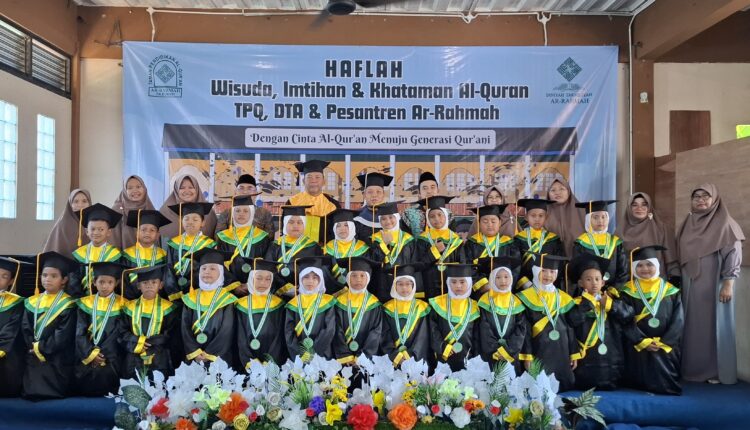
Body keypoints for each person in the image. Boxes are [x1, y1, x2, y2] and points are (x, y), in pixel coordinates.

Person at [677, 184, 744, 385]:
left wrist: (728, 284)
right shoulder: (688, 222)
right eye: (696, 196)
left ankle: (715, 372)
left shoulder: (725, 223)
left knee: (714, 326)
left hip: (714, 285)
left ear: (715, 199)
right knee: (691, 327)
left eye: (706, 196)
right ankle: (691, 370)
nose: (701, 200)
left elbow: (733, 253)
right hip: (690, 284)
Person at [621, 246, 683, 395]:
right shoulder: (628, 291)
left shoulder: (670, 290)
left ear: (657, 266)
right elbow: (625, 320)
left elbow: (678, 319)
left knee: (665, 381)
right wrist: (642, 341)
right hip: (638, 345)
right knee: (638, 379)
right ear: (634, 268)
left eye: (649, 264)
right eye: (640, 265)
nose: (645, 269)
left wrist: (665, 342)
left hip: (665, 345)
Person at [568, 254, 633, 391]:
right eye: (588, 279)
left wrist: (610, 305)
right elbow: (572, 321)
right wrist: (586, 305)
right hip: (586, 361)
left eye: (597, 279)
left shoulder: (611, 301)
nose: (594, 283)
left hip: (611, 360)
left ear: (603, 283)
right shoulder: (576, 304)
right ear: (580, 283)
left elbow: (628, 316)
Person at [21, 252, 78, 400]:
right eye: (44, 275)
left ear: (64, 280)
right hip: (33, 353)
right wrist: (32, 346)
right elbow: (26, 327)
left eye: (54, 276)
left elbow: (63, 334)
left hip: (56, 356)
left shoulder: (68, 304)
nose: (47, 279)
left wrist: (41, 348)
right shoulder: (32, 301)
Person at [517, 254, 577, 391]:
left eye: (552, 271)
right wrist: (527, 356)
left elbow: (570, 327)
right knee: (540, 386)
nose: (548, 275)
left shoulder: (564, 298)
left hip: (561, 350)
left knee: (565, 385)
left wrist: (573, 353)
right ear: (535, 271)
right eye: (543, 270)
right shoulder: (525, 297)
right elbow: (525, 332)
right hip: (539, 350)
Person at [74, 261, 127, 396]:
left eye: (110, 282)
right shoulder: (85, 303)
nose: (105, 286)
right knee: (86, 393)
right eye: (101, 282)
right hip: (87, 354)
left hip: (111, 356)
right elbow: (80, 332)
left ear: (116, 283)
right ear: (94, 282)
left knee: (109, 391)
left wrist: (102, 354)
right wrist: (90, 353)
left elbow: (119, 332)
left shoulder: (123, 304)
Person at [181, 248, 238, 366]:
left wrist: (209, 353)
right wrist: (195, 352)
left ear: (221, 272)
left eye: (212, 269)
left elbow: (227, 330)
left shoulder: (227, 299)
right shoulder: (190, 297)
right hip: (194, 357)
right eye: (203, 268)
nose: (207, 272)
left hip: (219, 357)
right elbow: (184, 327)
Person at [121, 264, 178, 379]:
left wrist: (150, 343)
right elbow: (122, 332)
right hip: (134, 355)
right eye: (145, 282)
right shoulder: (128, 308)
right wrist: (136, 343)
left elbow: (171, 334)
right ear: (138, 286)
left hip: (159, 357)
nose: (149, 286)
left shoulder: (169, 308)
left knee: (158, 385)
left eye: (154, 282)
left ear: (160, 285)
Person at [234, 259, 288, 368]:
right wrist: (249, 361)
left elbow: (279, 337)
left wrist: (271, 360)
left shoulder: (279, 304)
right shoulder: (240, 305)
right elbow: (240, 337)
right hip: (247, 361)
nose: (263, 283)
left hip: (273, 359)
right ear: (250, 279)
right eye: (258, 278)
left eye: (268, 279)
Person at [616, 192, 680, 283]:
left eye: (644, 205)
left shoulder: (661, 229)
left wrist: (675, 279)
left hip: (657, 286)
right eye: (634, 205)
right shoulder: (620, 232)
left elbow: (671, 259)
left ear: (649, 207)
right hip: (629, 285)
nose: (639, 208)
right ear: (629, 208)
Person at [476, 257, 527, 371]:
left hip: (511, 355)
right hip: (490, 355)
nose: (503, 281)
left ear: (511, 278)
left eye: (506, 277)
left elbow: (521, 329)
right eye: (498, 277)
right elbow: (484, 328)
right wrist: (495, 350)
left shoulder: (517, 302)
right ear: (491, 279)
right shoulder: (484, 301)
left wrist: (508, 351)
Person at [429, 264, 480, 371]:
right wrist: (443, 347)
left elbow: (477, 336)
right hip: (443, 356)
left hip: (468, 358)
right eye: (453, 282)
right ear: (448, 283)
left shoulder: (475, 307)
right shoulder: (437, 303)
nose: (458, 286)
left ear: (469, 283)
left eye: (462, 282)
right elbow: (433, 330)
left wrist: (473, 355)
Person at [284, 256, 337, 360]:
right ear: (300, 278)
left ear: (320, 280)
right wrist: (300, 354)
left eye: (315, 277)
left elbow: (329, 329)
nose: (310, 281)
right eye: (306, 277)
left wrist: (313, 353)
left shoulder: (328, 302)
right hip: (300, 357)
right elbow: (289, 333)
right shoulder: (292, 304)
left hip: (322, 354)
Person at [217, 196, 272, 297]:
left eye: (246, 211)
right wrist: (234, 285)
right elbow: (220, 264)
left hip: (255, 287)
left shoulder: (262, 237)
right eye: (237, 211)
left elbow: (265, 263)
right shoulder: (223, 237)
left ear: (252, 214)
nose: (241, 214)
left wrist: (251, 283)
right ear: (232, 214)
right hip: (230, 290)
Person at [265, 205, 323, 298]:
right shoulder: (275, 245)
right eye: (291, 222)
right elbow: (268, 269)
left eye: (299, 222)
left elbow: (318, 272)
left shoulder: (314, 247)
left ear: (304, 224)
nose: (295, 225)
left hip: (305, 294)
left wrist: (303, 287)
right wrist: (285, 288)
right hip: (279, 294)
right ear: (285, 223)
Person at [332, 257, 382, 364]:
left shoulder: (374, 304)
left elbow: (375, 333)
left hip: (365, 361)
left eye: (362, 276)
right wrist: (345, 355)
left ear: (368, 278)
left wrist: (363, 357)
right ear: (347, 278)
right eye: (354, 275)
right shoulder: (338, 302)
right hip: (342, 359)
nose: (358, 279)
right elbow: (336, 330)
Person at [368, 202, 421, 302]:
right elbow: (372, 262)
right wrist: (384, 244)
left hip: (404, 286)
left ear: (397, 217)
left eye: (391, 217)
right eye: (383, 219)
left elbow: (414, 264)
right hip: (381, 284)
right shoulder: (374, 239)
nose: (388, 221)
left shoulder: (408, 239)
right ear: (379, 221)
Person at [380, 264, 431, 367]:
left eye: (408, 284)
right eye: (400, 284)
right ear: (394, 286)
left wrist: (410, 355)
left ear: (413, 285)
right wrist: (394, 355)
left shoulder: (422, 307)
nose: (404, 287)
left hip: (416, 359)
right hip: (392, 359)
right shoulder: (387, 308)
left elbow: (423, 337)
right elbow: (384, 335)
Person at [164, 202, 217, 300]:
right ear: (181, 221)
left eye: (195, 219)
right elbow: (168, 269)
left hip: (201, 291)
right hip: (177, 291)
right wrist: (174, 292)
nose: (190, 222)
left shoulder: (209, 244)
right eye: (186, 219)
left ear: (203, 223)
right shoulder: (173, 243)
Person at [462, 205, 519, 295]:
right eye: (485, 221)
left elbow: (516, 267)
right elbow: (467, 265)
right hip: (480, 291)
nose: (489, 225)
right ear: (479, 224)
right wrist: (482, 284)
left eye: (493, 221)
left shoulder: (509, 243)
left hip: (504, 289)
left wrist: (505, 283)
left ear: (500, 223)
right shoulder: (471, 243)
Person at [69, 203, 123, 298]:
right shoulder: (79, 254)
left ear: (109, 232)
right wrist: (81, 300)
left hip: (108, 300)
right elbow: (74, 280)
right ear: (87, 231)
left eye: (101, 229)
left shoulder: (115, 255)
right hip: (83, 300)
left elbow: (117, 281)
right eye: (93, 229)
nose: (96, 232)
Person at [572, 200, 628, 292]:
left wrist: (613, 291)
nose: (600, 221)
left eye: (603, 217)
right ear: (588, 220)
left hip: (613, 292)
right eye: (595, 217)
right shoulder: (581, 242)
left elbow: (623, 271)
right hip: (588, 292)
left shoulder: (615, 242)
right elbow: (577, 272)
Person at [415, 196, 463, 299]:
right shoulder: (422, 239)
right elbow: (419, 265)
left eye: (440, 215)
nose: (436, 219)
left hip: (452, 285)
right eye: (432, 216)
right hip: (429, 284)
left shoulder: (456, 240)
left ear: (446, 216)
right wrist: (434, 251)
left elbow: (462, 264)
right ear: (428, 219)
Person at [286, 160, 341, 243]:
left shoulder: (333, 205)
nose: (313, 180)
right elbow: (285, 231)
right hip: (298, 248)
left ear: (324, 181)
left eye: (317, 177)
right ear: (303, 181)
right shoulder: (292, 202)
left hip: (325, 249)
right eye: (309, 177)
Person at [514, 199, 563, 290]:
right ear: (526, 217)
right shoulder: (518, 239)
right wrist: (525, 283)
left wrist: (550, 282)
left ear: (546, 217)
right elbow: (515, 264)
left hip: (548, 284)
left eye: (541, 216)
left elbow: (559, 265)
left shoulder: (553, 240)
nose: (537, 219)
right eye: (533, 215)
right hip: (526, 286)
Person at [121, 209, 170, 300]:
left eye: (152, 230)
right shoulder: (127, 254)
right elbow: (124, 281)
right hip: (131, 300)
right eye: (143, 229)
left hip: (157, 300)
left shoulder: (163, 255)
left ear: (157, 235)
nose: (147, 233)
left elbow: (166, 279)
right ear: (137, 233)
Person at [0, 257, 31, 397]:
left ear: (11, 281)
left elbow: (11, 329)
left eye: (4, 276)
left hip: (6, 350)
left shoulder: (17, 302)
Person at [159, 174, 218, 240]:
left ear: (197, 189)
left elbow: (215, 237)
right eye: (182, 188)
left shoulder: (208, 212)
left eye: (191, 187)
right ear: (176, 189)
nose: (187, 191)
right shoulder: (165, 212)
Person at [324, 209, 370, 292]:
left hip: (357, 290)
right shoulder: (328, 248)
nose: (342, 229)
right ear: (334, 229)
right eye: (338, 226)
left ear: (352, 227)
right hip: (333, 290)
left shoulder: (362, 247)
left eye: (346, 225)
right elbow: (326, 272)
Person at [110, 175, 155, 250]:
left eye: (138, 187)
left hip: (148, 255)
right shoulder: (117, 210)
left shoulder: (150, 209)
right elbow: (113, 240)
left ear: (144, 189)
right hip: (123, 255)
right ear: (125, 191)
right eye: (130, 188)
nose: (135, 190)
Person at [545, 178, 586, 258]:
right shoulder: (542, 214)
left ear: (568, 191)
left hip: (578, 260)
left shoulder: (583, 211)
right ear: (548, 194)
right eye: (553, 190)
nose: (557, 193)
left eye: (562, 189)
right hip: (551, 261)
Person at [43, 189, 92, 254]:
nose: (80, 205)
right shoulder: (62, 224)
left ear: (89, 203)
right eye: (76, 201)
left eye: (84, 201)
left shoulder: (94, 222)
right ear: (70, 204)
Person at [353, 172, 393, 244]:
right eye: (370, 192)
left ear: (383, 194)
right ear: (364, 195)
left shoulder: (393, 218)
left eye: (378, 192)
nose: (374, 195)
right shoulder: (356, 218)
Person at [402, 172, 444, 236]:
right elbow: (404, 239)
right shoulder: (408, 214)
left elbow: (453, 238)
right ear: (419, 193)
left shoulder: (447, 214)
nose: (429, 191)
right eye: (425, 188)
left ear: (438, 191)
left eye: (432, 187)